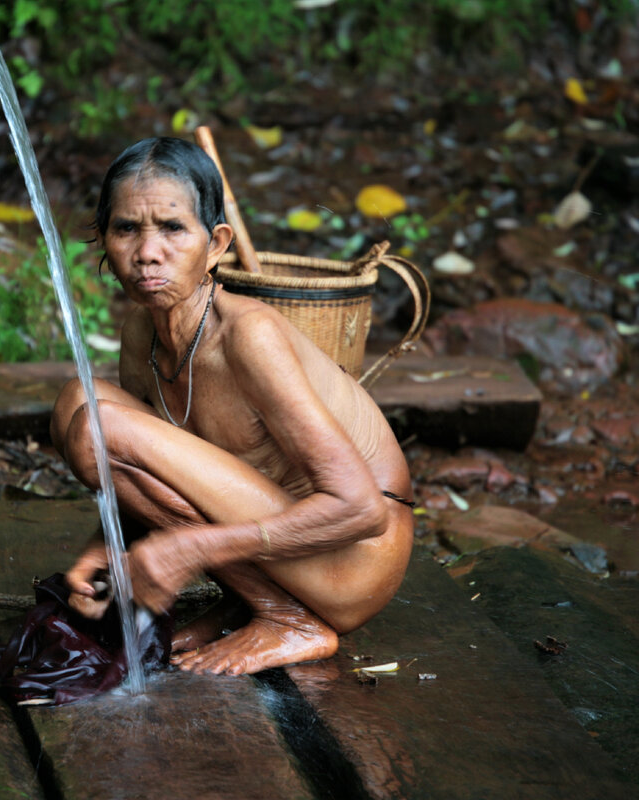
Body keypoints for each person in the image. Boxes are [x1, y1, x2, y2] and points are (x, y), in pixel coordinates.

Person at [50, 136, 414, 676]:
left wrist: (191, 551)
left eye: (173, 229)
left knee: (99, 426)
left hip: (354, 563)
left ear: (216, 244)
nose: (147, 253)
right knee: (76, 404)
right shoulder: (140, 335)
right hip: (280, 548)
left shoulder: (249, 337)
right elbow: (137, 473)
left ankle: (289, 619)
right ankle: (250, 602)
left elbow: (362, 510)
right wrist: (103, 549)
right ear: (105, 237)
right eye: (127, 229)